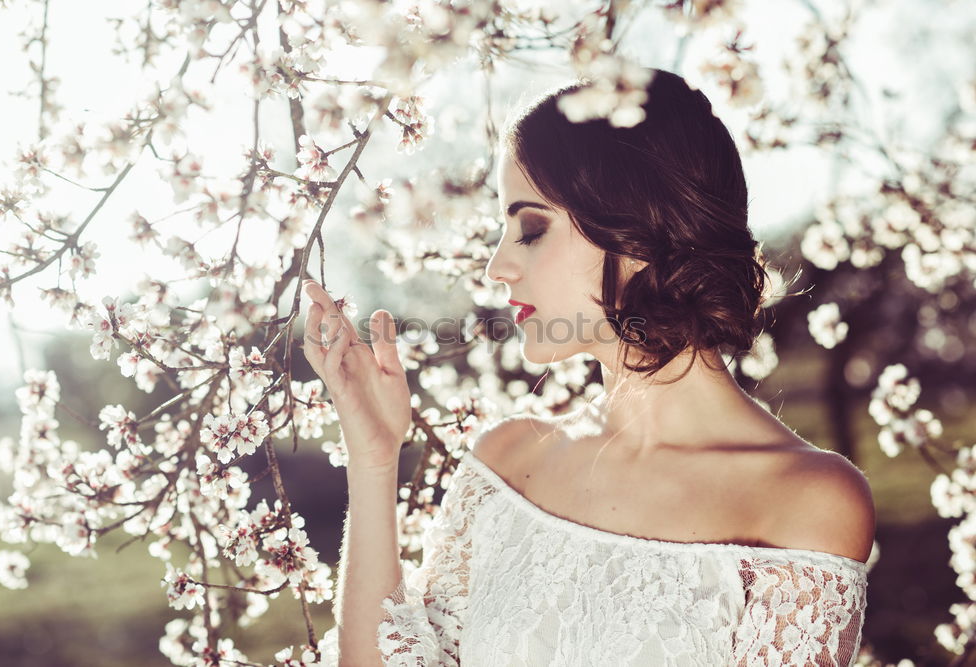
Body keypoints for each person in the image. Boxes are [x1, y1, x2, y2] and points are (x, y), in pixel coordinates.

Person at [303, 68, 875, 666]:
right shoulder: (507, 462)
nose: (497, 266)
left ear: (635, 229)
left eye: (529, 228)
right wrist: (373, 459)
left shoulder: (806, 501)